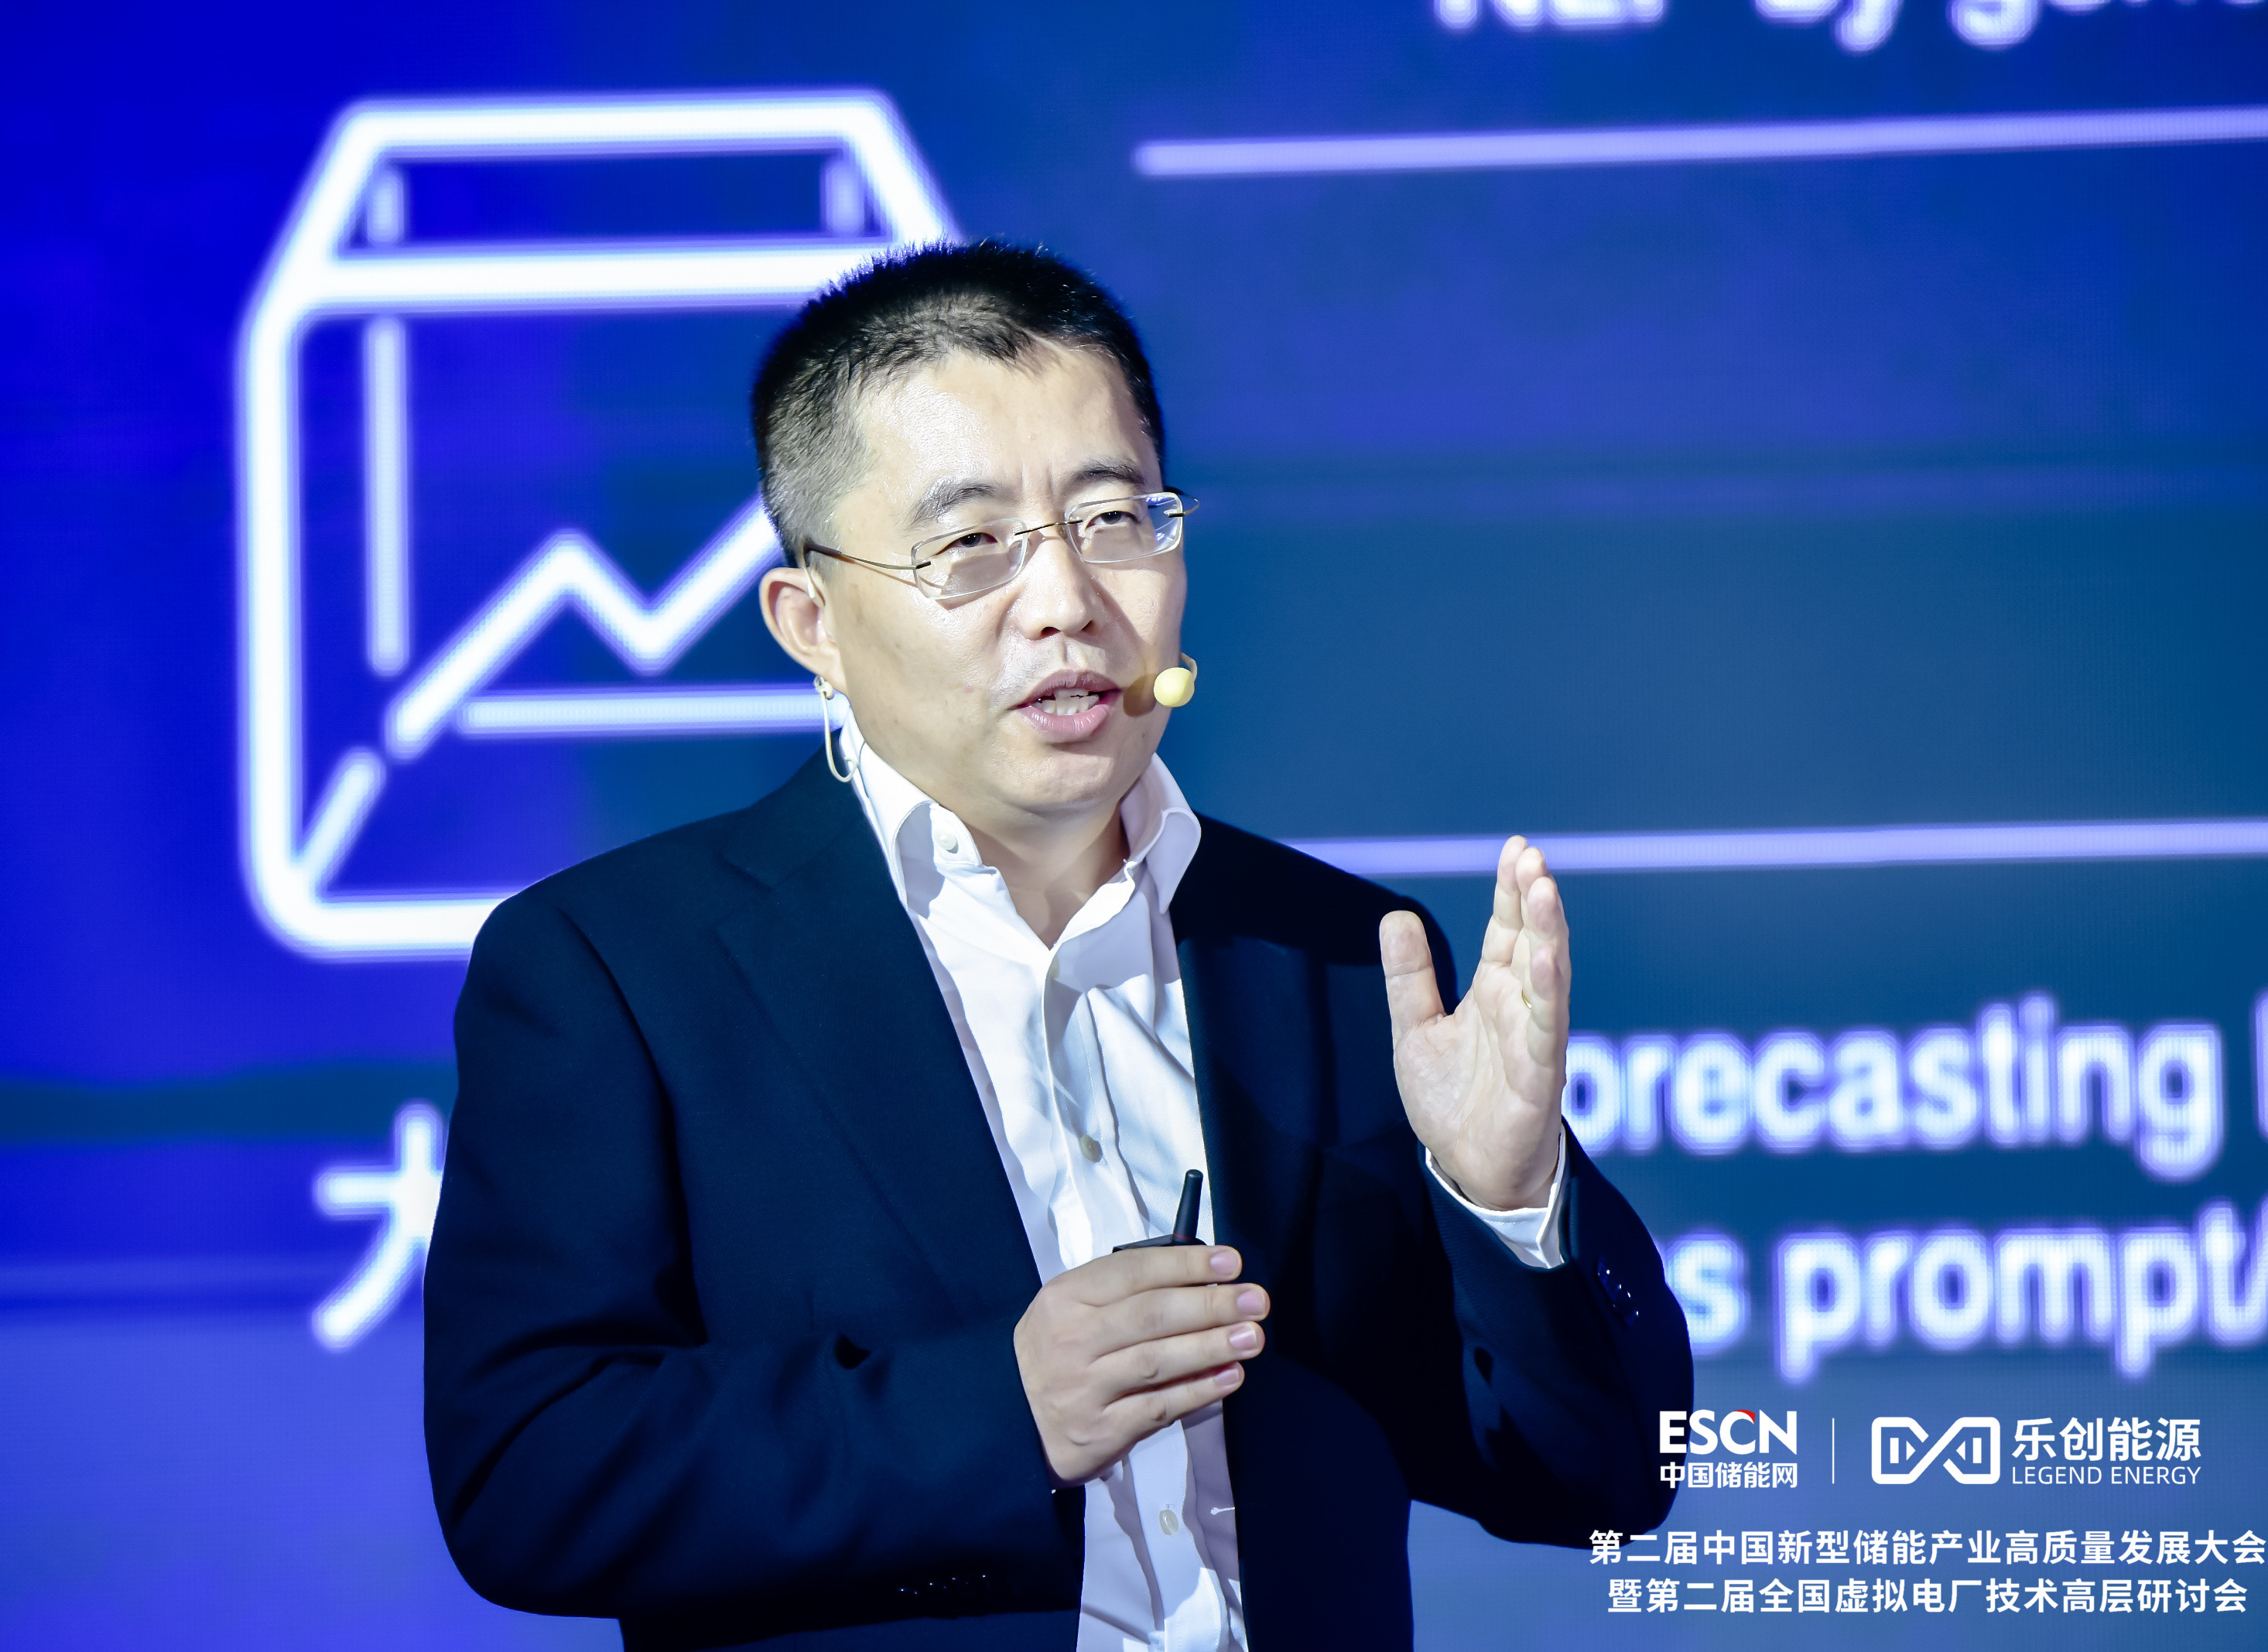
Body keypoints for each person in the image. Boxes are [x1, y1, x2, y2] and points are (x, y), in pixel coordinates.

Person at [423, 241, 1689, 1652]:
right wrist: (999, 1412)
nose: (1067, 600)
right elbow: (525, 1473)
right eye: (970, 545)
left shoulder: (1338, 957)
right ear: (812, 623)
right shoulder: (618, 971)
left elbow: (1606, 1484)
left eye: (1114, 519)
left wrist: (1507, 1204)